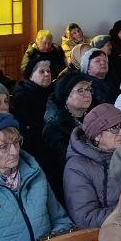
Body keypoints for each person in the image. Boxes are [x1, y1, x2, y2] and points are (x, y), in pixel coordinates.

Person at [64, 104, 121, 229]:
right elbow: (86, 219)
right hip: (109, 233)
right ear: (97, 135)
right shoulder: (76, 168)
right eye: (114, 128)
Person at [38, 73, 94, 203]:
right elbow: (67, 162)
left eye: (88, 89)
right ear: (66, 97)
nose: (87, 94)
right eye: (80, 90)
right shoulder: (54, 127)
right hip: (72, 186)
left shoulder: (89, 116)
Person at [11, 55, 53, 160]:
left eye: (48, 71)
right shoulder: (22, 95)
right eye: (42, 72)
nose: (47, 74)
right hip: (33, 146)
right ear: (31, 76)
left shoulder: (52, 91)